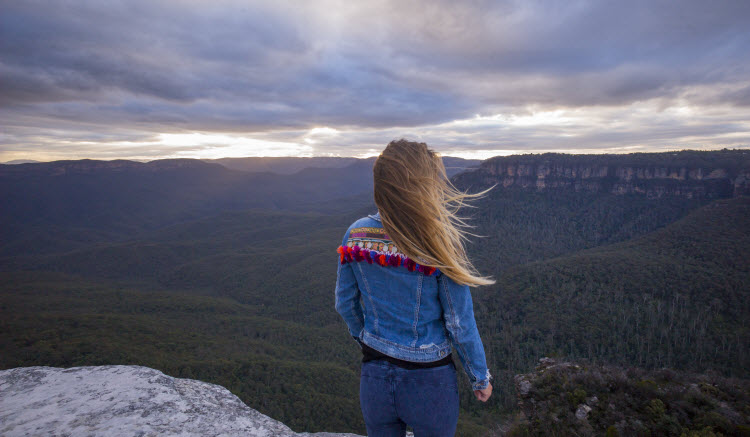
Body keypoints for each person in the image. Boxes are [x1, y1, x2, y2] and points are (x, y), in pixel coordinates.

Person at [334, 139, 494, 436]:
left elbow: (344, 303)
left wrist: (367, 340)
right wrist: (479, 377)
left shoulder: (355, 234)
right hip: (430, 381)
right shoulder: (437, 240)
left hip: (375, 376)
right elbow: (459, 323)